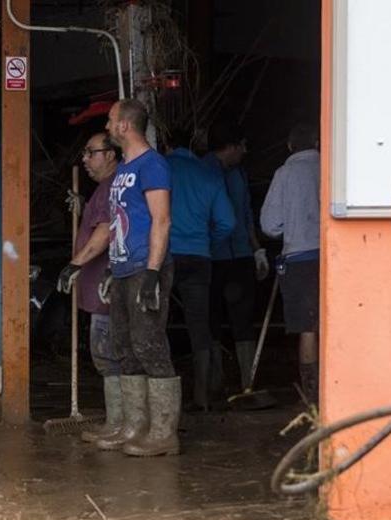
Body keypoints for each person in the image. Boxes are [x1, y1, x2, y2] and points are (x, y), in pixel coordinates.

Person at [90, 99, 179, 457]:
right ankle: (134, 426)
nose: (108, 126)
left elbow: (161, 220)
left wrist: (153, 273)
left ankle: (163, 433)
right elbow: (119, 223)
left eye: (111, 120)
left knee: (150, 345)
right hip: (124, 267)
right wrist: (112, 267)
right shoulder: (125, 167)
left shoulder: (152, 165)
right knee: (124, 347)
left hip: (146, 267)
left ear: (125, 126)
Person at [55, 132, 123, 444]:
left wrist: (75, 264)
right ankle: (118, 420)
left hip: (105, 289)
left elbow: (105, 232)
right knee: (107, 355)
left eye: (90, 152)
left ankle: (119, 423)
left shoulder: (113, 187)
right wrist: (82, 208)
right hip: (99, 290)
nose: (85, 159)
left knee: (109, 356)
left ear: (111, 154)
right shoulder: (103, 190)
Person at [164, 132, 235, 412]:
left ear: (168, 145)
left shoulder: (161, 169)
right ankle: (201, 396)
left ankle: (164, 400)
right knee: (199, 326)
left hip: (165, 255)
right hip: (199, 257)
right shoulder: (209, 175)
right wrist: (206, 241)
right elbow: (228, 223)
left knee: (157, 322)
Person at [201, 123, 269, 395]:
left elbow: (245, 215)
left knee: (243, 318)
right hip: (211, 256)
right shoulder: (201, 171)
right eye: (242, 145)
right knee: (212, 320)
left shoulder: (239, 173)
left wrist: (256, 249)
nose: (245, 150)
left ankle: (247, 383)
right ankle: (215, 383)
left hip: (239, 254)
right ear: (230, 146)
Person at [260, 123, 321, 405]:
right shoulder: (330, 167)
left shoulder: (284, 174)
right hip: (332, 256)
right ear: (318, 141)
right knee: (333, 324)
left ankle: (311, 397)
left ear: (289, 146)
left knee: (307, 327)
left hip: (298, 258)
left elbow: (270, 225)